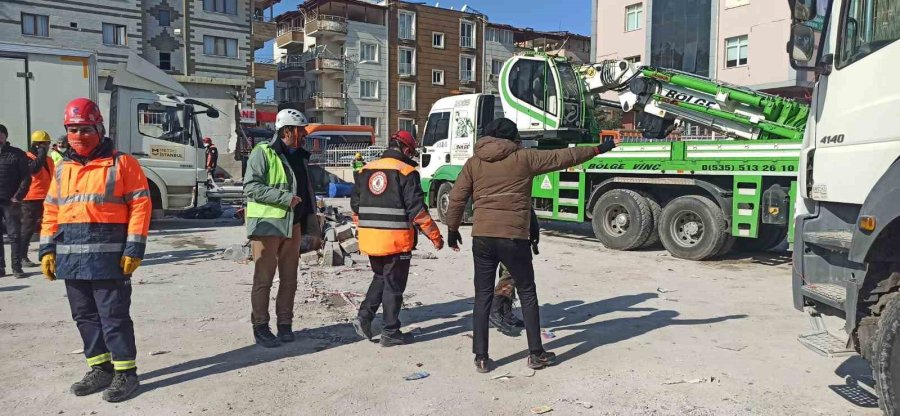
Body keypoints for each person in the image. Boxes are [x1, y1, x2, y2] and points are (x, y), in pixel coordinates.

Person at [444, 118, 621, 373]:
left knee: (482, 296)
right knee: (527, 292)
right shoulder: (524, 158)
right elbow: (564, 156)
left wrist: (452, 229)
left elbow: (457, 196)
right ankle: (536, 354)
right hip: (514, 236)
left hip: (482, 236)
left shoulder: (474, 162)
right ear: (512, 137)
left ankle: (481, 357)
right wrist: (598, 149)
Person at [40, 98, 152, 402]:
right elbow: (51, 210)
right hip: (70, 257)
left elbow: (141, 206)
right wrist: (47, 249)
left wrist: (134, 247)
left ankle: (126, 373)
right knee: (84, 316)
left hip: (109, 257)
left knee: (113, 316)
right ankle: (99, 368)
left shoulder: (122, 163)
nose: (79, 135)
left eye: (85, 128)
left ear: (99, 128)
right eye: (73, 129)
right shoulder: (62, 170)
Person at [351, 130, 444, 347]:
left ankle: (364, 317)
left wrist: (365, 229)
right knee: (394, 285)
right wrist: (435, 237)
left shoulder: (365, 170)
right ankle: (390, 331)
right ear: (405, 150)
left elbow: (355, 207)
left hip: (370, 239)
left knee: (381, 277)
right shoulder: (406, 171)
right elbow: (417, 212)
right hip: (396, 241)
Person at [243, 108, 321, 348]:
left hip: (293, 225)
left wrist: (312, 222)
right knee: (264, 279)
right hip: (267, 226)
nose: (304, 135)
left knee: (290, 279)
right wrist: (284, 197)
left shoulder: (300, 156)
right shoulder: (262, 153)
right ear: (287, 131)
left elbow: (306, 191)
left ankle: (285, 324)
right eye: (300, 131)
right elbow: (251, 187)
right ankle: (261, 326)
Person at [490, 209, 540, 334]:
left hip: (495, 234)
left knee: (506, 271)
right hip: (512, 235)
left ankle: (506, 313)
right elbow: (528, 210)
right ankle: (495, 308)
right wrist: (534, 233)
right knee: (511, 274)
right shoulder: (518, 190)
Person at [0, 123, 32, 278]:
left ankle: (17, 267)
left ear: (6, 136)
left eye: (1, 134)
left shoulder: (17, 154)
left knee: (14, 235)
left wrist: (18, 196)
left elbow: (26, 177)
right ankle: (1, 268)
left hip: (10, 202)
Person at [20, 130, 55, 269]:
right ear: (36, 145)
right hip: (30, 198)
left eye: (48, 144)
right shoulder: (27, 158)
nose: (47, 147)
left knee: (49, 228)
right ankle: (22, 257)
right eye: (44, 144)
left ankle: (49, 254)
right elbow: (34, 170)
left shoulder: (49, 160)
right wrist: (40, 154)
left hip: (47, 198)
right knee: (27, 229)